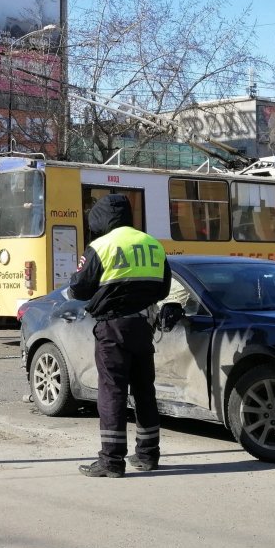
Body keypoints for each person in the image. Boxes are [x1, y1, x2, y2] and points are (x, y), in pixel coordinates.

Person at [69, 194, 171, 478]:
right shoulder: (153, 244)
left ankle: (111, 461)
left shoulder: (101, 246)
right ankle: (148, 455)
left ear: (101, 218)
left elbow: (79, 289)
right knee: (144, 391)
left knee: (112, 391)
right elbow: (163, 289)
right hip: (143, 326)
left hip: (112, 327)